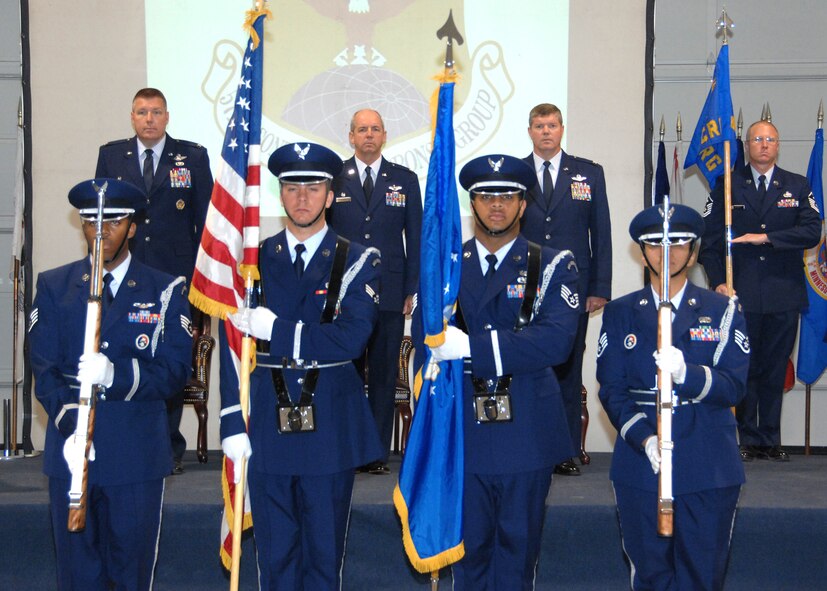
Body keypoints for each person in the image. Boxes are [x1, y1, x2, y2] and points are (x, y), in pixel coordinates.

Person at [220, 142, 383, 590]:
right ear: (280, 195)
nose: (303, 197)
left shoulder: (358, 260)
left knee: (323, 560)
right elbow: (231, 346)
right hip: (265, 426)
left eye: (313, 188)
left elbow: (352, 338)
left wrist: (278, 331)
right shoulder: (250, 263)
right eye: (292, 187)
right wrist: (231, 421)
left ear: (330, 196)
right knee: (275, 559)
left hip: (329, 424)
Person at [30, 178, 192, 591]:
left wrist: (116, 376)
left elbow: (175, 370)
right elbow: (44, 368)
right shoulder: (54, 286)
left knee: (130, 573)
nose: (100, 232)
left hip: (135, 454)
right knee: (77, 575)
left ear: (132, 227)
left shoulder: (165, 289)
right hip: (71, 454)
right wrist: (73, 426)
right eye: (91, 222)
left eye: (113, 222)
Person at [428, 154, 580, 589]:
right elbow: (428, 343)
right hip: (463, 430)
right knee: (468, 557)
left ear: (523, 204)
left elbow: (555, 342)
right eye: (486, 196)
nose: (497, 205)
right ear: (472, 203)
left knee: (518, 555)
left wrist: (471, 348)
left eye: (508, 196)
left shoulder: (553, 264)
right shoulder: (445, 267)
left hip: (526, 431)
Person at [597, 204, 749, 591]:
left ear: (694, 253)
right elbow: (611, 390)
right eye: (656, 244)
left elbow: (734, 385)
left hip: (707, 463)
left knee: (703, 575)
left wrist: (688, 375)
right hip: (641, 465)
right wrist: (644, 438)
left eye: (678, 244)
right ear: (642, 252)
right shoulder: (620, 313)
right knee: (650, 576)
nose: (667, 253)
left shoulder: (723, 311)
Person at [95, 87, 214, 474]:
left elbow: (206, 224)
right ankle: (124, 441)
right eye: (142, 112)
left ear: (167, 117)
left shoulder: (192, 157)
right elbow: (102, 219)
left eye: (156, 112)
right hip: (124, 274)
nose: (149, 119)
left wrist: (201, 281)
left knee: (168, 360)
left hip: (173, 278)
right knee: (122, 353)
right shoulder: (112, 155)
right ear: (132, 117)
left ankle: (168, 446)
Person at [699, 120, 821, 461]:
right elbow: (709, 243)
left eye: (770, 139)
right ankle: (748, 439)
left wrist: (765, 237)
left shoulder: (797, 185)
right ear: (747, 145)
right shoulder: (727, 185)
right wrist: (717, 281)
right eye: (757, 139)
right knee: (745, 367)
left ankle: (770, 438)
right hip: (742, 292)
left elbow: (812, 231)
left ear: (778, 145)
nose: (764, 144)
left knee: (775, 367)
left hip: (784, 293)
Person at [327, 109, 422, 474]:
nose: (369, 135)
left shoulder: (404, 179)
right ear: (351, 136)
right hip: (345, 293)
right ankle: (348, 448)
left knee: (383, 375)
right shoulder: (334, 177)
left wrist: (411, 288)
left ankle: (376, 453)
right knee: (346, 373)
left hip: (390, 290)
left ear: (385, 136)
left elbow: (416, 238)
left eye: (375, 129)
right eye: (362, 129)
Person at [520, 103, 612, 475]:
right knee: (527, 368)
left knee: (569, 370)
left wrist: (599, 287)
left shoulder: (588, 173)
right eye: (539, 125)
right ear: (530, 131)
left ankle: (565, 450)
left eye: (552, 125)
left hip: (573, 289)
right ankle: (528, 447)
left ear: (562, 129)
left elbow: (601, 234)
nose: (546, 131)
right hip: (525, 287)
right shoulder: (516, 173)